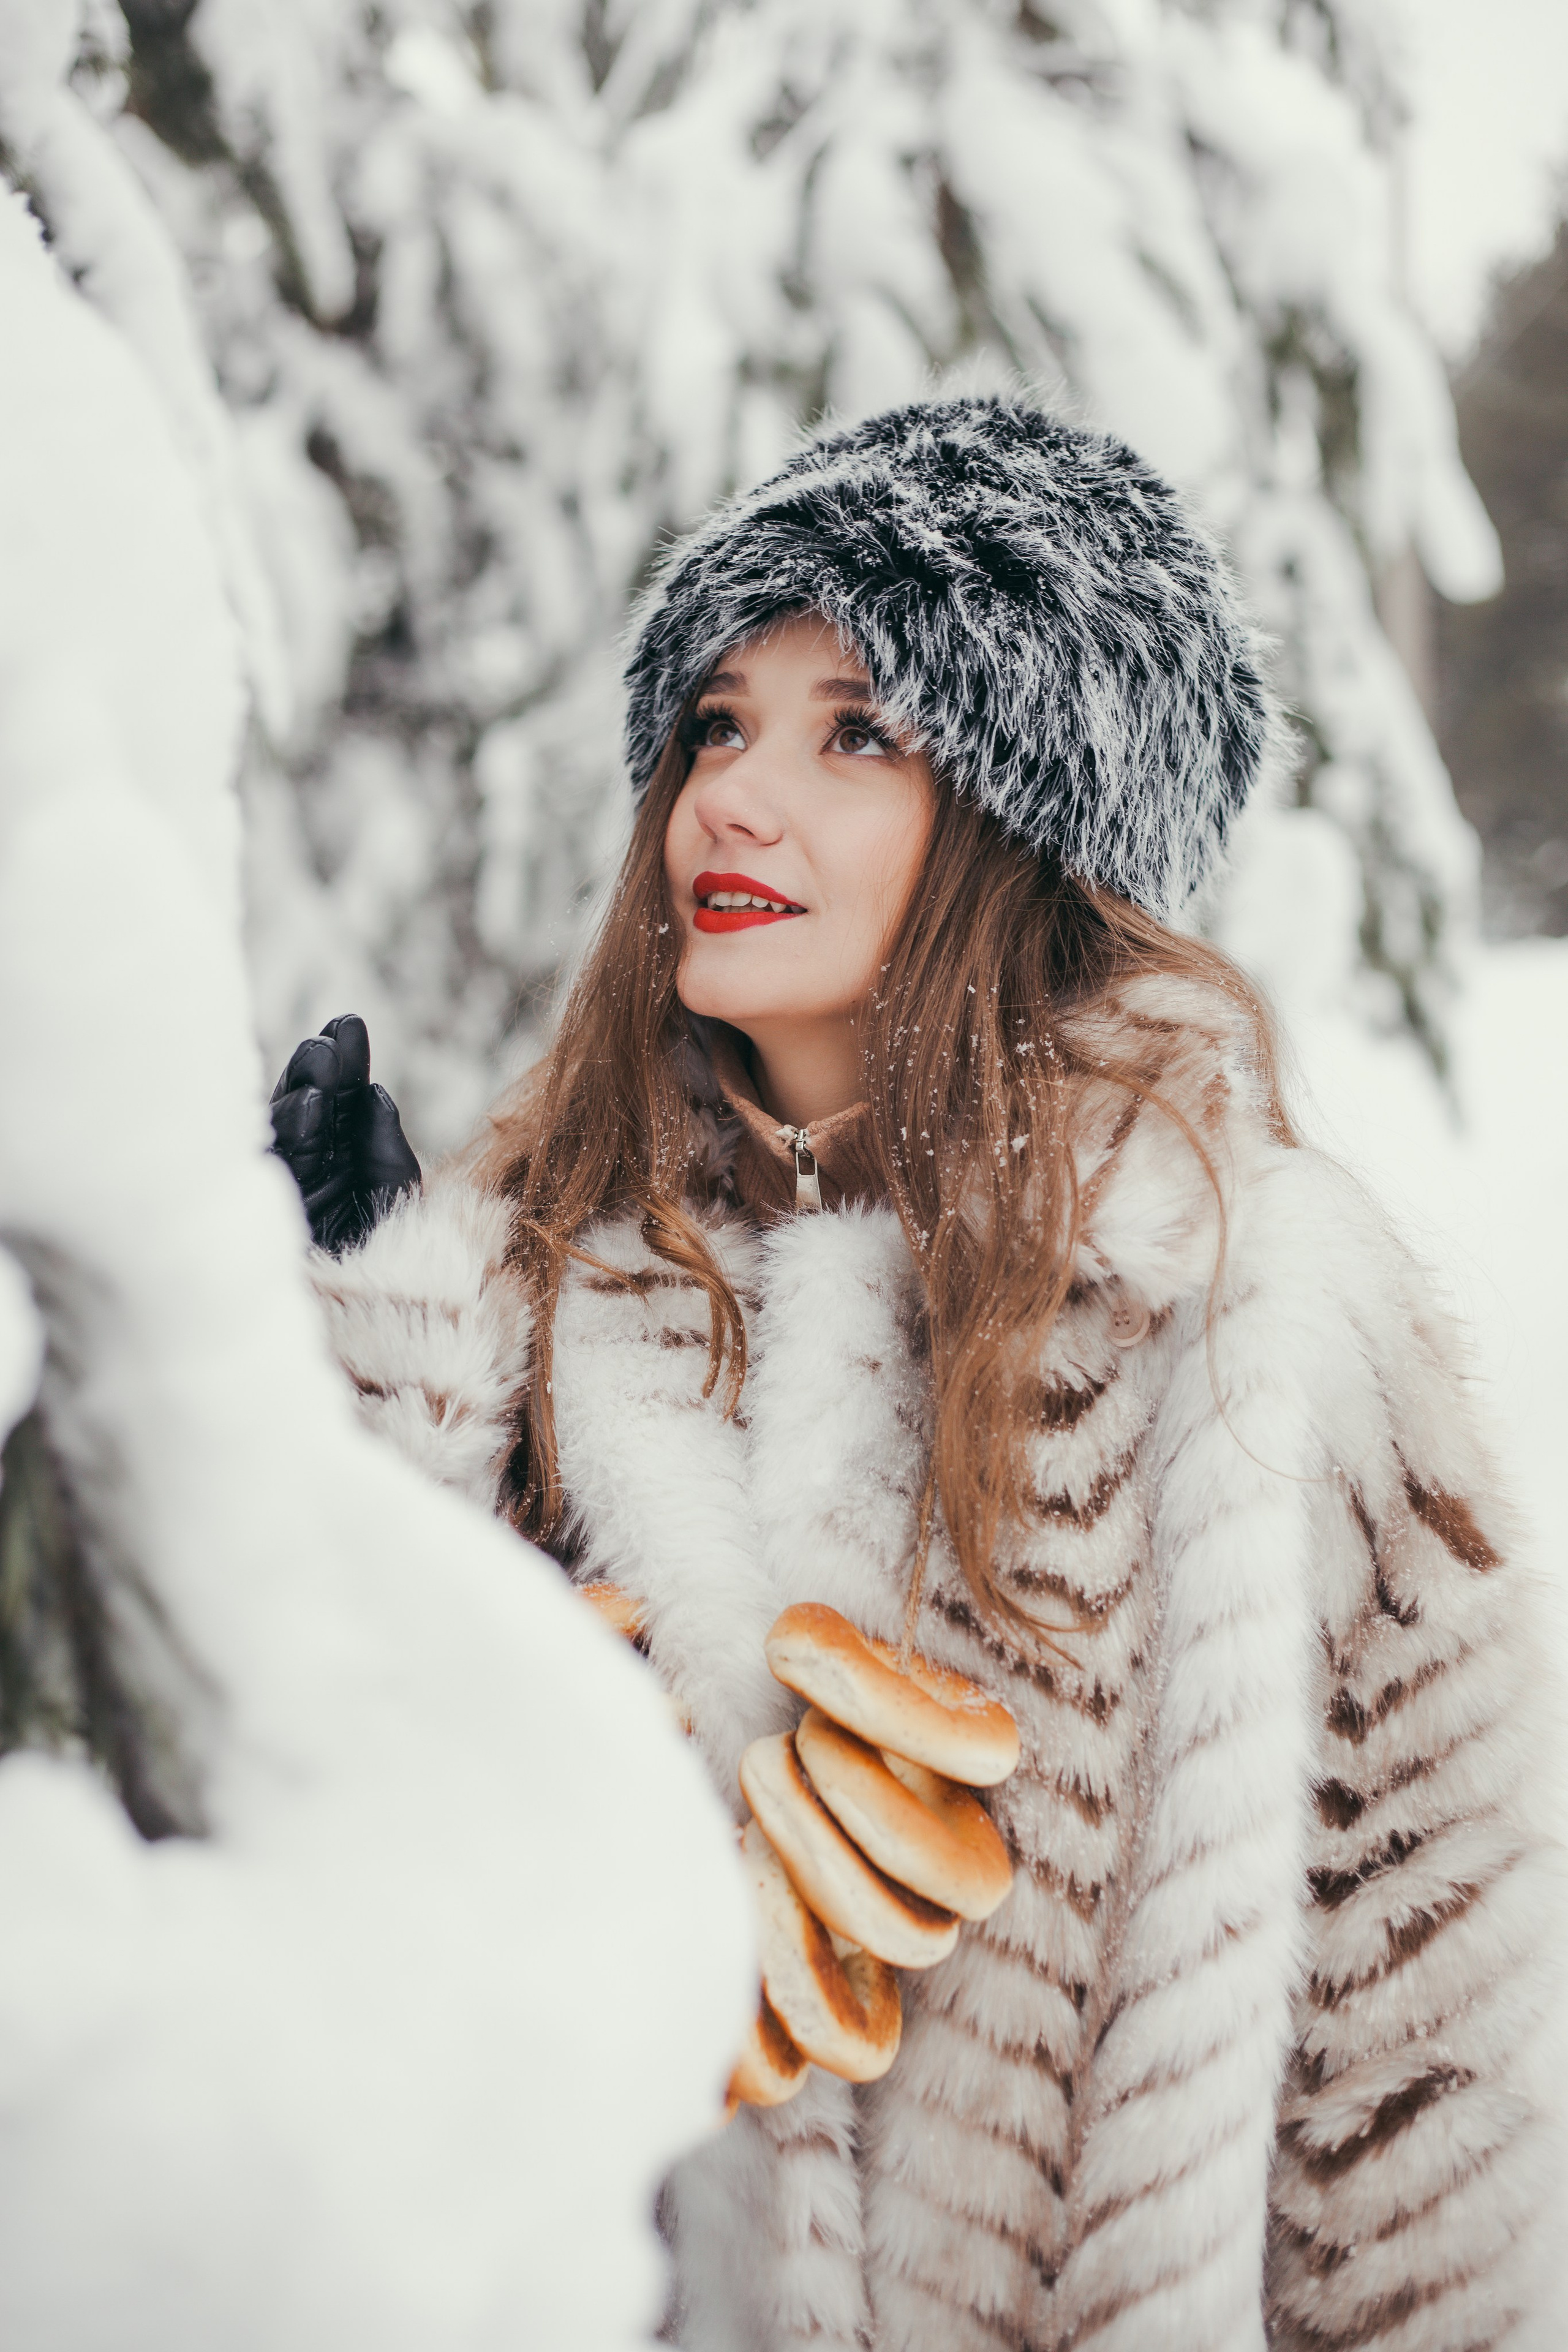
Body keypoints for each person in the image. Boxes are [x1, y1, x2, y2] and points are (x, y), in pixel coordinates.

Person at [270, 400, 1553, 2351]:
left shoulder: (1252, 1323)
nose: (731, 801)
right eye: (715, 725)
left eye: (856, 729)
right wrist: (349, 1391)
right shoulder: (554, 1304)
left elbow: (1420, 2123)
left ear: (1039, 823)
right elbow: (337, 1942)